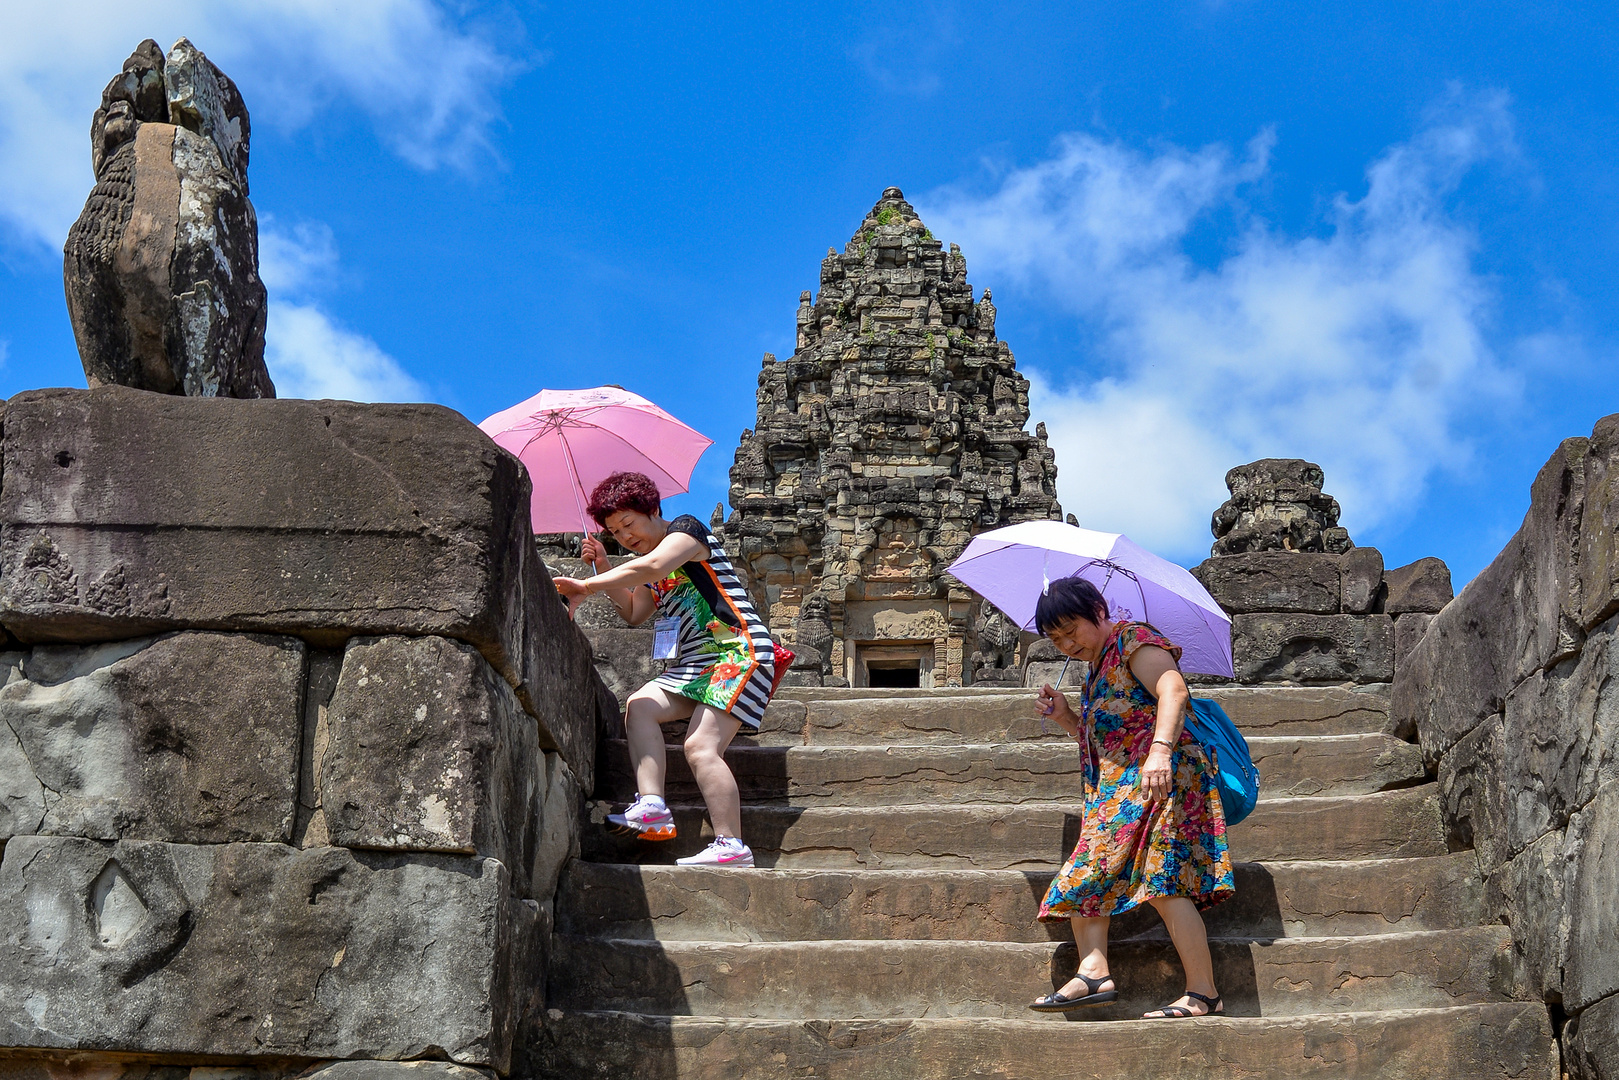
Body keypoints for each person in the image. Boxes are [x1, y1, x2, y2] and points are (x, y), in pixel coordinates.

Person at [1028, 576, 1235, 1019]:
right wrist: (1067, 715)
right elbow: (1110, 736)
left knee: (1163, 882)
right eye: (1055, 637)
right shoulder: (1098, 666)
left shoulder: (1133, 640)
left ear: (1098, 612)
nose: (1065, 643)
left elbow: (1173, 690)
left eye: (1071, 629)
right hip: (1122, 787)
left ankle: (1203, 993)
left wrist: (1160, 750)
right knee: (1089, 870)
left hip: (1162, 777)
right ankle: (1094, 971)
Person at [551, 471, 775, 868]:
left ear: (652, 509)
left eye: (629, 524)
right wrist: (601, 565)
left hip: (738, 653)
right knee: (638, 705)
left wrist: (590, 587)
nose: (625, 537)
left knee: (700, 747)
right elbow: (635, 612)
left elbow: (653, 566)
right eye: (614, 532)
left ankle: (732, 845)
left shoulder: (687, 532)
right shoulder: (644, 564)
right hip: (695, 666)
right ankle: (652, 806)